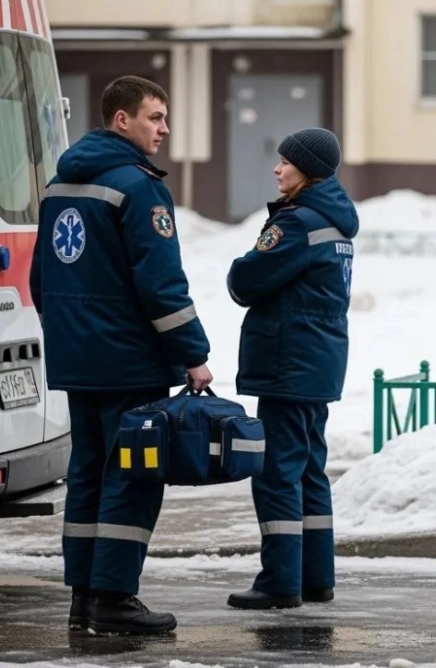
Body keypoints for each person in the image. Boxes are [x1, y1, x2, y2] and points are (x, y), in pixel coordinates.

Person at [30, 75, 213, 635]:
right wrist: (194, 353)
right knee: (132, 477)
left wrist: (72, 336)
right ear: (122, 120)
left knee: (88, 474)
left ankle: (84, 596)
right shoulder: (139, 188)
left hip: (78, 363)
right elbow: (160, 284)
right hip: (128, 361)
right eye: (154, 117)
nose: (164, 128)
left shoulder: (61, 187)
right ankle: (114, 598)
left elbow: (41, 280)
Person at [225, 127, 357, 610]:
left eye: (285, 162)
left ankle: (280, 581)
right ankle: (314, 578)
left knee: (278, 472)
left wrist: (243, 266)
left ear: (308, 170)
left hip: (289, 361)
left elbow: (245, 280)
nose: (276, 169)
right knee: (308, 471)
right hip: (317, 364)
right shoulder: (336, 220)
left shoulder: (298, 222)